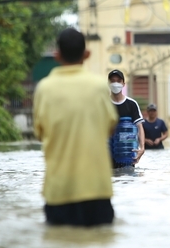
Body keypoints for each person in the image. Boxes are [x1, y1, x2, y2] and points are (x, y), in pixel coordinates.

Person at [33, 28, 118, 226]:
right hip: (97, 190)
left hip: (58, 192)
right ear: (86, 54)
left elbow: (40, 133)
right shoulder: (99, 87)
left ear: (57, 55)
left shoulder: (44, 88)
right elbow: (110, 127)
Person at [107, 69, 145, 166]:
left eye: (118, 81)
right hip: (107, 155)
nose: (115, 84)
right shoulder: (104, 104)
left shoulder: (131, 104)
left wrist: (142, 147)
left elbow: (139, 127)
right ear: (108, 83)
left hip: (126, 155)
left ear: (123, 84)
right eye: (113, 81)